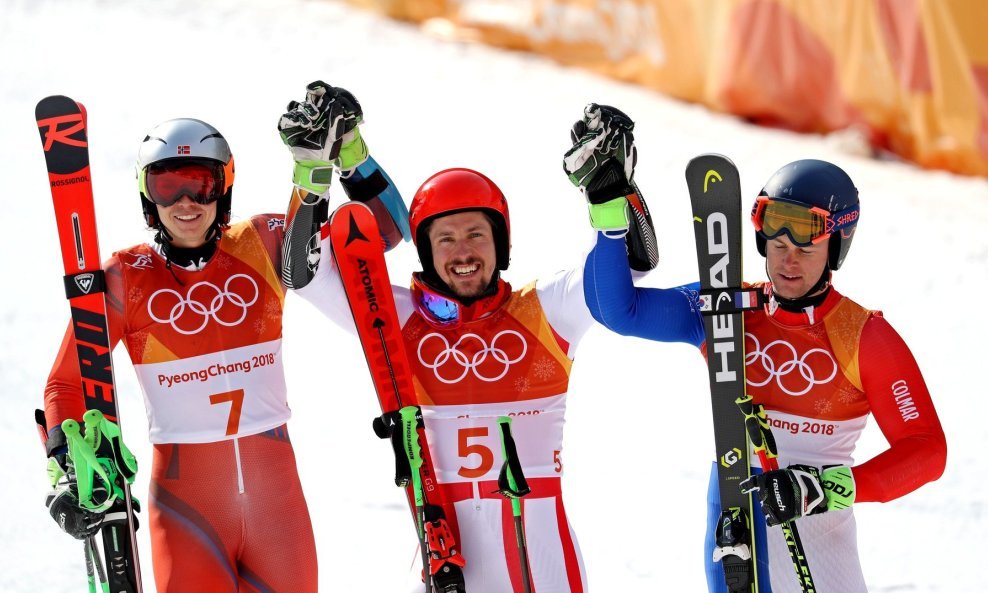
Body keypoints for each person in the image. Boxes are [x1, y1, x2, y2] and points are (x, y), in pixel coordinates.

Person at [283, 92, 658, 592]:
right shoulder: (391, 316)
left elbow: (631, 265)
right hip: (447, 565)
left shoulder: (545, 310)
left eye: (477, 235)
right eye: (446, 238)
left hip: (544, 568)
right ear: (426, 251)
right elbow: (303, 275)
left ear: (500, 244)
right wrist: (327, 165)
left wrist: (615, 192)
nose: (463, 252)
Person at [572, 106, 947, 593]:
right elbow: (616, 311)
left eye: (806, 247)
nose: (788, 259)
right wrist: (607, 213)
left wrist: (826, 486)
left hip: (818, 548)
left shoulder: (864, 336)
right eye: (775, 242)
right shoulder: (728, 309)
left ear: (836, 247)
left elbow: (927, 451)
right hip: (732, 525)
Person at [42, 91, 406, 592]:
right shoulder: (125, 276)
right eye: (167, 186)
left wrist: (350, 153)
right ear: (148, 195)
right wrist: (66, 472)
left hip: (276, 511)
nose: (185, 203)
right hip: (187, 512)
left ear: (224, 187)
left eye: (200, 184)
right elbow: (66, 384)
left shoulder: (264, 243)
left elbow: (383, 233)